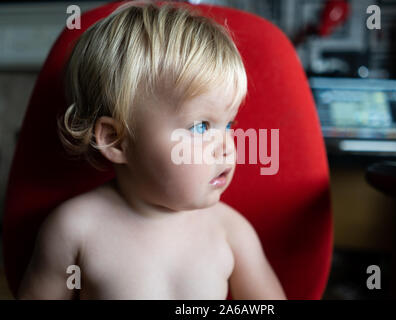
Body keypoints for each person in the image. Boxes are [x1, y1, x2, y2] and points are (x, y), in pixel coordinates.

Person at [17, 1, 286, 300]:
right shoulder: (74, 231)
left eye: (229, 125)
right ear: (117, 140)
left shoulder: (231, 232)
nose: (227, 149)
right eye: (200, 127)